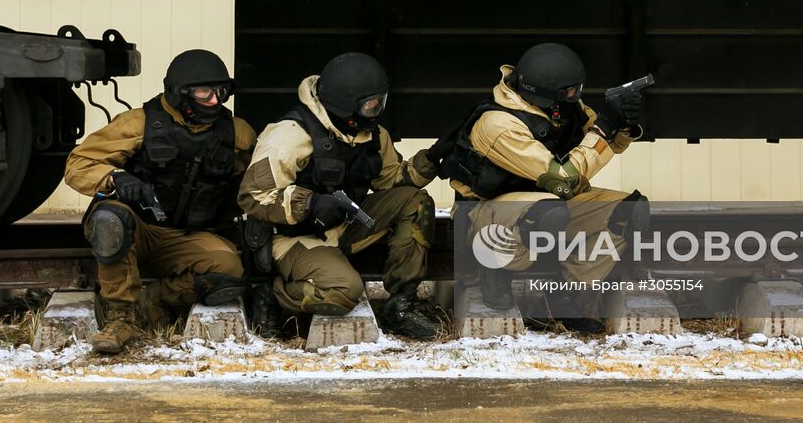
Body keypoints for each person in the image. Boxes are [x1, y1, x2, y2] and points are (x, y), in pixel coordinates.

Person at [432, 42, 647, 333]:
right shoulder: (499, 124)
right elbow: (563, 180)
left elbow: (600, 142)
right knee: (546, 211)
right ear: (544, 93)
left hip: (551, 204)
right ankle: (495, 268)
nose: (577, 96)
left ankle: (563, 293)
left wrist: (623, 125)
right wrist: (603, 129)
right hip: (486, 214)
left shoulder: (563, 108)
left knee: (629, 212)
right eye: (571, 91)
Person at [238, 52, 441, 340]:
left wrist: (432, 158)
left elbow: (392, 182)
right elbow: (253, 196)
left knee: (414, 202)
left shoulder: (372, 134)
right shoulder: (291, 134)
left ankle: (401, 306)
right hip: (295, 237)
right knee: (345, 292)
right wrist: (310, 203)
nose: (377, 111)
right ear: (346, 105)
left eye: (379, 102)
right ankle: (272, 295)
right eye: (371, 105)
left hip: (345, 224)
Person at [64, 48, 255, 354]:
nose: (215, 102)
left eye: (221, 92)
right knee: (109, 218)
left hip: (186, 236)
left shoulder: (237, 133)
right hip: (138, 229)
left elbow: (260, 178)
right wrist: (115, 177)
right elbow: (77, 165)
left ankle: (151, 299)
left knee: (230, 269)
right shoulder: (136, 124)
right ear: (181, 94)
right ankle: (119, 316)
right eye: (205, 93)